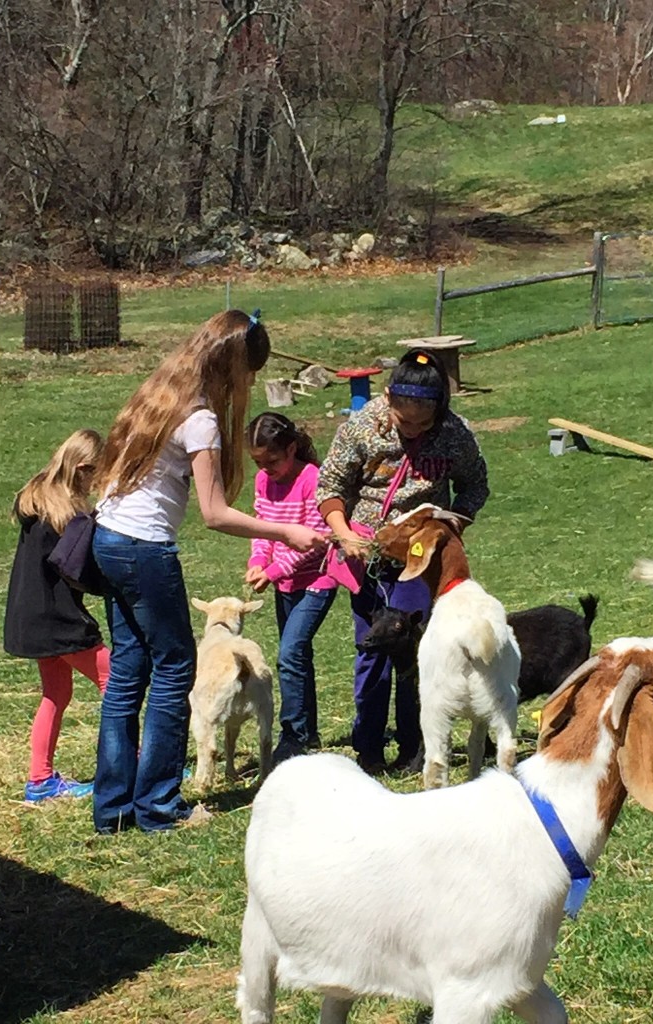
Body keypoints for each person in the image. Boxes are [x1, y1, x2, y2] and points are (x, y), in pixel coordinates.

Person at [91, 309, 326, 834]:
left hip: (108, 538)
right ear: (235, 368)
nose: (250, 385)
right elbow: (214, 512)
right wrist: (284, 532)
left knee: (129, 672)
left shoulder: (156, 395)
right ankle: (158, 806)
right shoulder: (198, 416)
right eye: (251, 375)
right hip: (146, 549)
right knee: (176, 670)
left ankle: (113, 808)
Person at [316, 348, 489, 774]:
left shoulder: (456, 435)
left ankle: (416, 745)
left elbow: (475, 487)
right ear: (389, 397)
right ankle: (369, 746)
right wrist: (343, 532)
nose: (410, 428)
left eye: (421, 421)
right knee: (373, 651)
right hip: (366, 558)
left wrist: (450, 529)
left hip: (421, 562)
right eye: (401, 418)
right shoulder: (362, 426)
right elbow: (330, 485)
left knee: (420, 652)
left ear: (438, 409)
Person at [4, 429, 110, 803]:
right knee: (116, 683)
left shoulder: (37, 497)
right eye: (96, 475)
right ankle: (131, 763)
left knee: (56, 693)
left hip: (30, 616)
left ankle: (40, 779)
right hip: (57, 620)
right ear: (82, 468)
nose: (97, 484)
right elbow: (77, 569)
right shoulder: (66, 513)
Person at [245, 413, 336, 764]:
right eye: (258, 462)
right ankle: (309, 732)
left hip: (317, 578)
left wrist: (273, 569)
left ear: (292, 449)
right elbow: (261, 527)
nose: (266, 469)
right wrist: (258, 561)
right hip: (283, 581)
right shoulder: (263, 482)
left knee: (289, 654)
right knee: (297, 656)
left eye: (273, 460)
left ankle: (293, 734)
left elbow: (316, 541)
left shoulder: (313, 479)